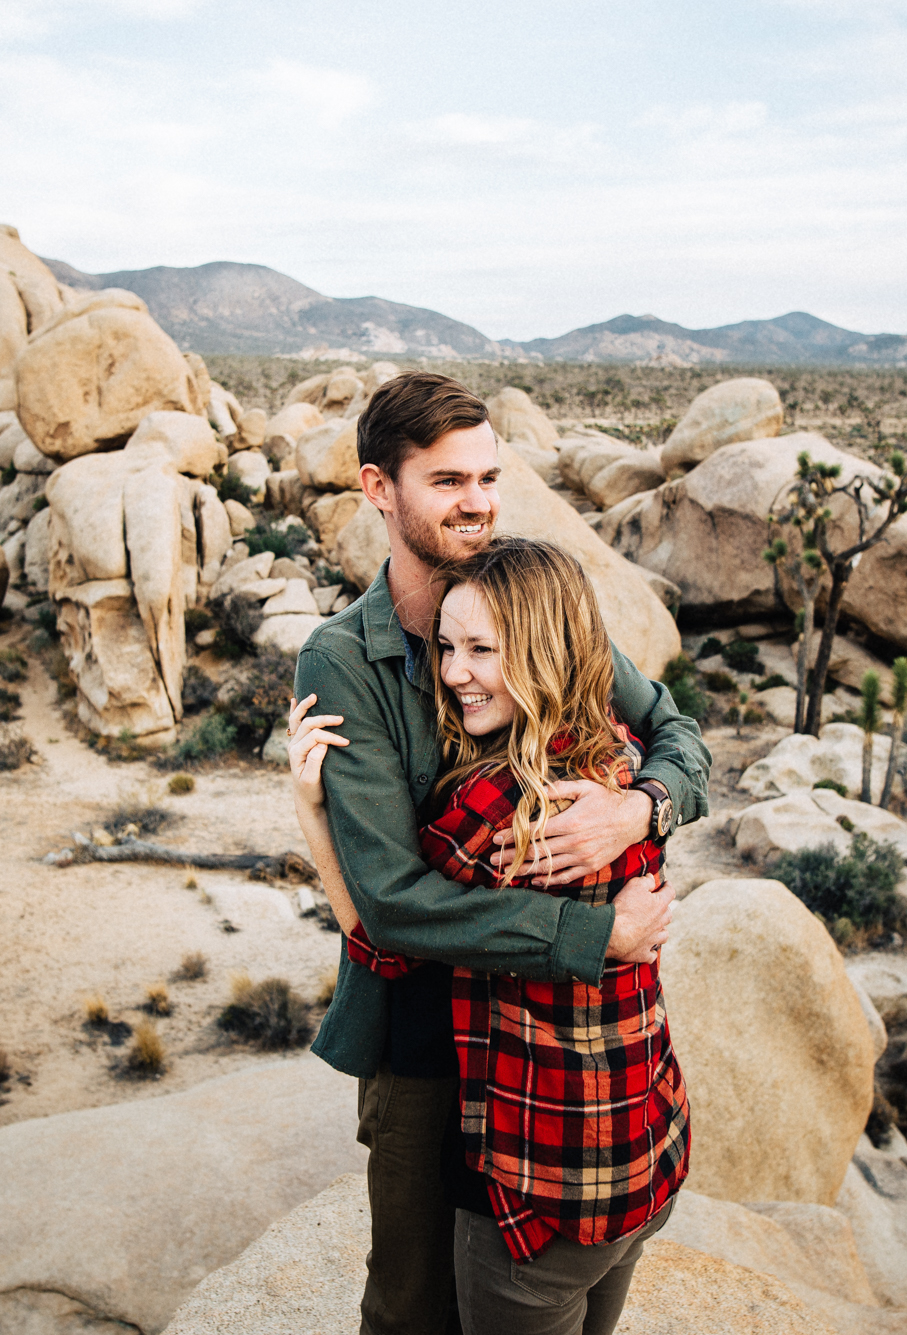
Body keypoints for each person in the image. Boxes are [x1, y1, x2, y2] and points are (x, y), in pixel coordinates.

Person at [290, 371, 710, 1334]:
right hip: (422, 1029)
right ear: (377, 489)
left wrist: (637, 810)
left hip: (539, 1037)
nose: (477, 500)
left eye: (487, 475)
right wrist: (590, 931)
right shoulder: (343, 660)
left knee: (507, 1279)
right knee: (411, 1301)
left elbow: (680, 737)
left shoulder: (541, 614)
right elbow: (393, 904)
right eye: (446, 481)